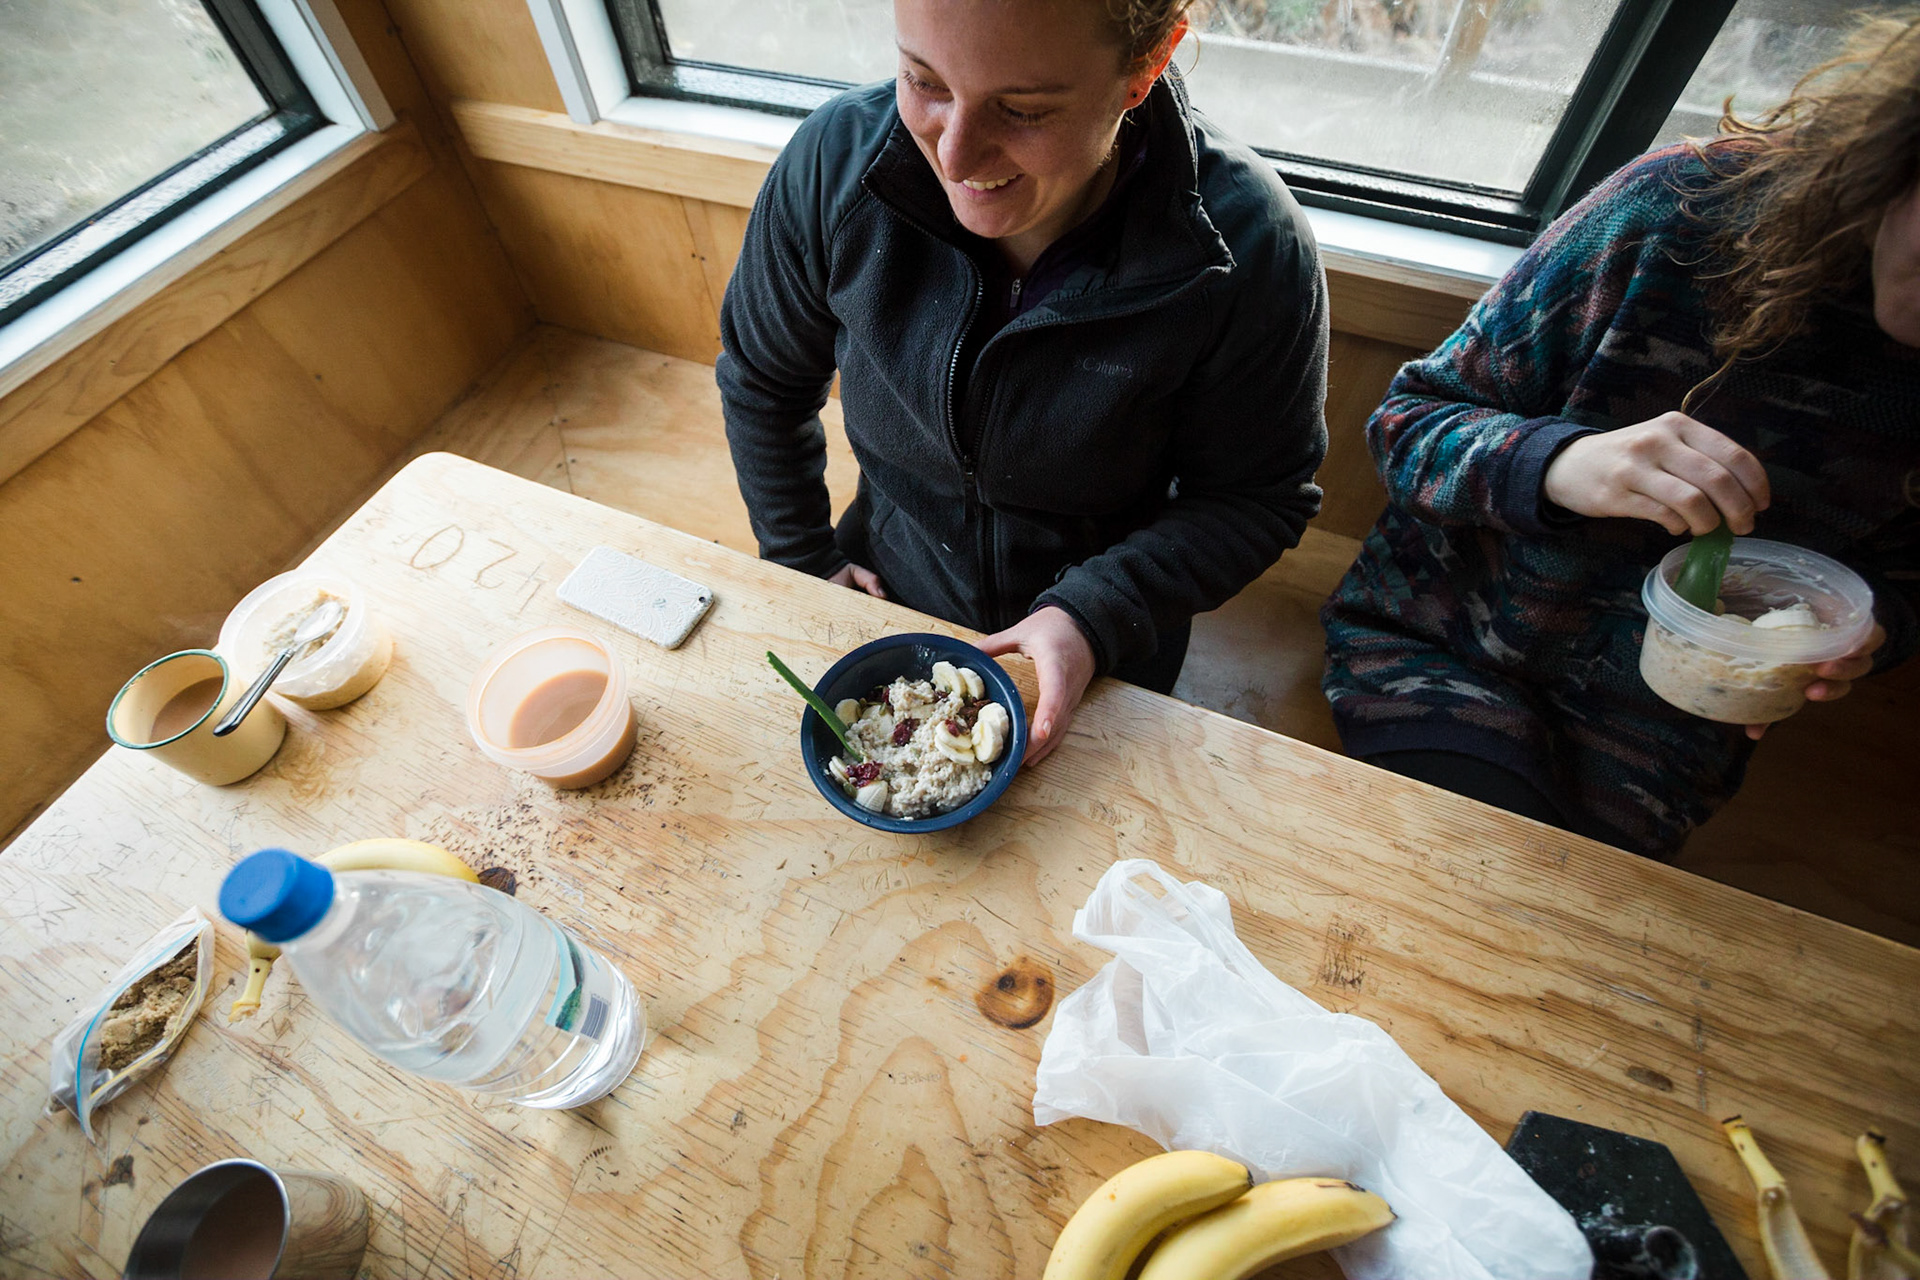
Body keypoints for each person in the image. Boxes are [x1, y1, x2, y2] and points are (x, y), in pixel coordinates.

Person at [1320, 15, 1919, 858]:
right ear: (1900, 156)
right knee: (1479, 868)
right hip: (1442, 650)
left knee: (1576, 912)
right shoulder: (1678, 212)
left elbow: (1903, 588)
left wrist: (1864, 633)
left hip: (1678, 728)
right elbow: (1407, 426)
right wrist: (1560, 465)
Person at [719, 0, 1329, 764]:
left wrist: (1093, 615)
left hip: (1109, 643)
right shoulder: (834, 169)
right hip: (885, 594)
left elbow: (1258, 496)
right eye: (923, 80)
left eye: (1023, 110)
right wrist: (805, 559)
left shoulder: (1250, 249)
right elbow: (762, 381)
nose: (954, 158)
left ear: (1146, 66)